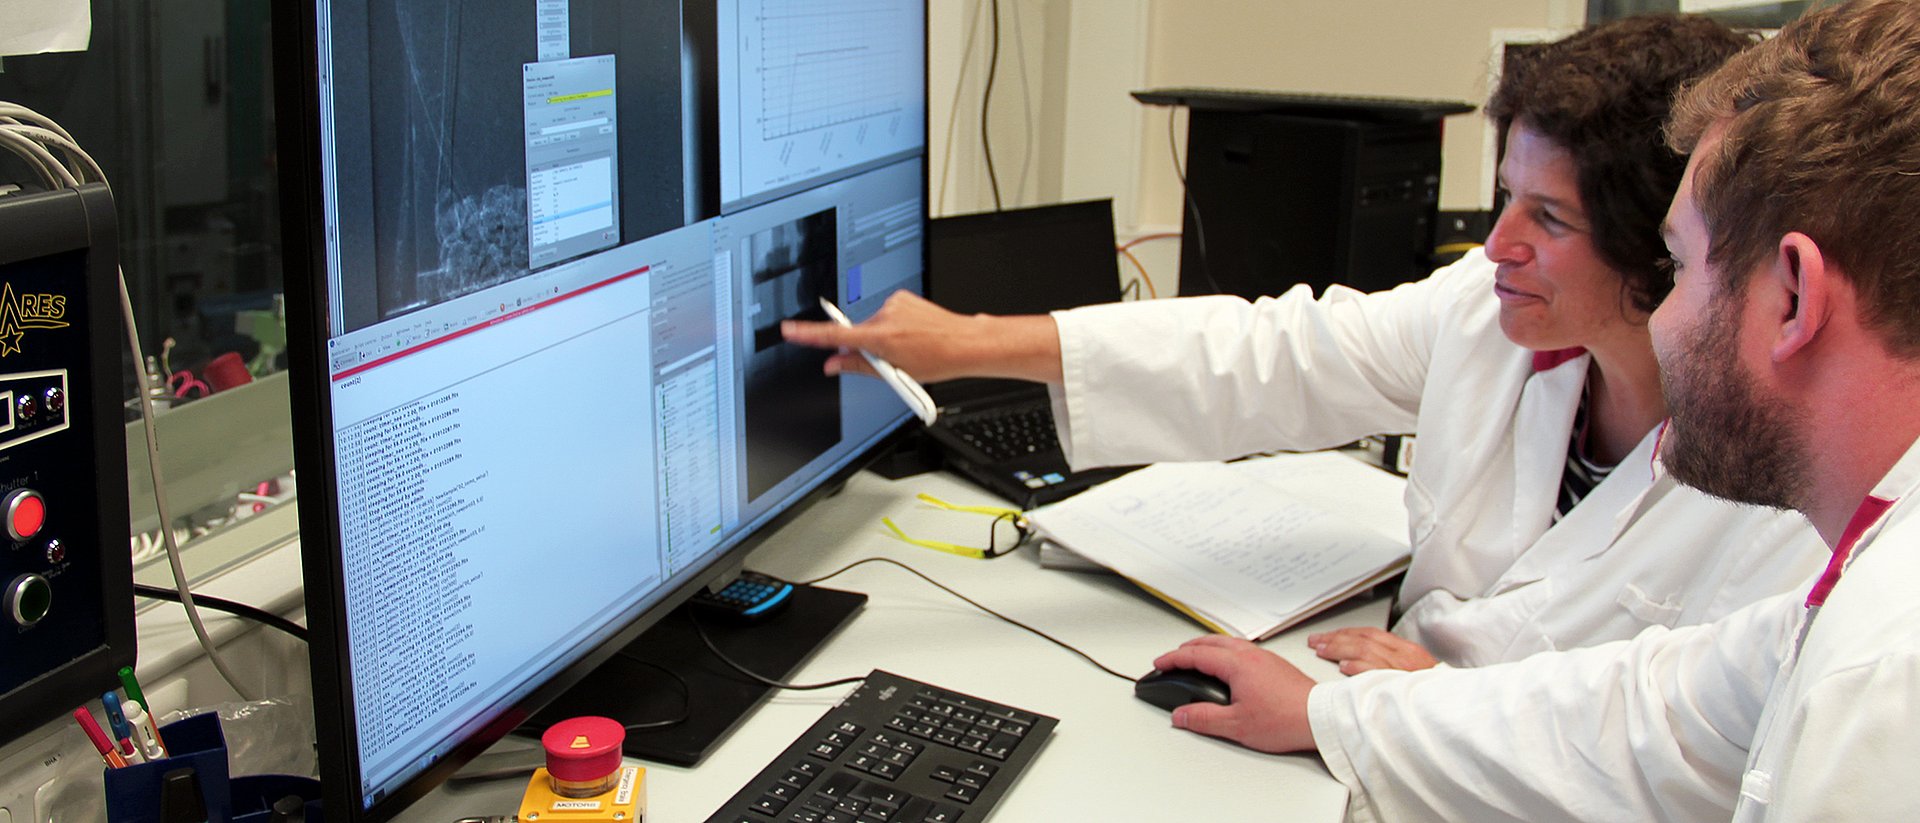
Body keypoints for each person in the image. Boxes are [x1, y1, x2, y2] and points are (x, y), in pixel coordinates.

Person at [784, 16, 1823, 672]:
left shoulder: (1782, 476)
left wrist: (1433, 709)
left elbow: (1691, 749)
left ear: (1661, 246)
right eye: (1507, 196)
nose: (1495, 245)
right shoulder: (1490, 317)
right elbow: (1275, 353)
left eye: (1547, 221)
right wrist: (967, 342)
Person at [1156, 2, 1920, 818]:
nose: (1664, 311)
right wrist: (1328, 712)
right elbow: (1652, 713)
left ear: (1794, 295)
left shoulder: (1884, 668)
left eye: (1681, 264)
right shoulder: (1867, 569)